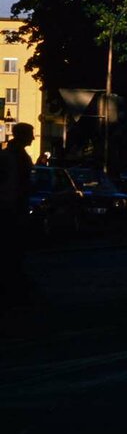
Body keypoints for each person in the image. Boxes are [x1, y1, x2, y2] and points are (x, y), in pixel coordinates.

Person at [0, 123, 35, 305]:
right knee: (11, 250)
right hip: (10, 211)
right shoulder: (12, 158)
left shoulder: (13, 156)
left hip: (14, 209)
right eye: (31, 134)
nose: (33, 138)